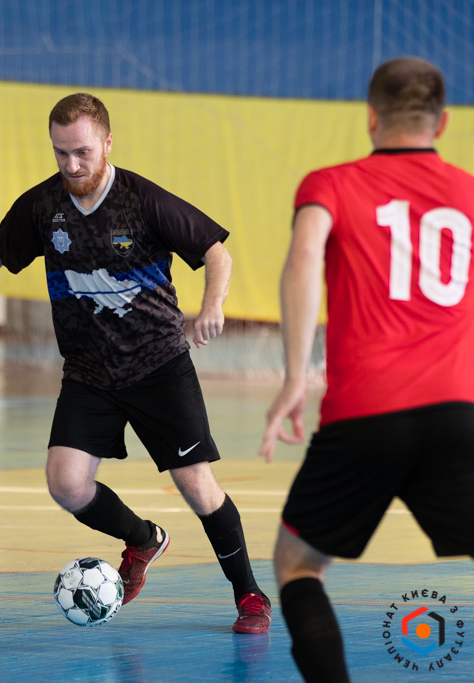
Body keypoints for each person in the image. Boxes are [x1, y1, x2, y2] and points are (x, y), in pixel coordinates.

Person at [0, 93, 271, 633]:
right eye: (61, 153)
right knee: (66, 485)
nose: (72, 164)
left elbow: (215, 251)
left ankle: (249, 594)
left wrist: (213, 305)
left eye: (82, 151)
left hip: (157, 365)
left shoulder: (143, 200)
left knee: (198, 487)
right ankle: (143, 539)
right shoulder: (43, 206)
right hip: (88, 371)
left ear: (107, 143)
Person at [261, 56, 474, 681]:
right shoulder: (468, 191)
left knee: (297, 564)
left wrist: (295, 376)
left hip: (364, 414)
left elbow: (304, 258)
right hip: (456, 412)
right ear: (442, 123)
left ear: (371, 117)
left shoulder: (329, 184)